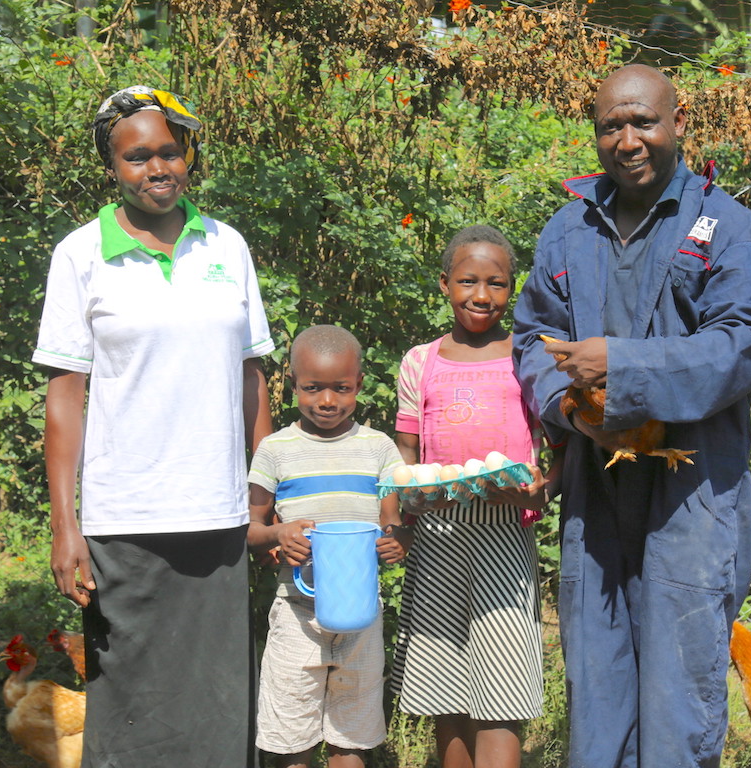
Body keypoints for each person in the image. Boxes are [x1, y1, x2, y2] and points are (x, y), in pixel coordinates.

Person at [511, 64, 751, 768]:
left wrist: (626, 371)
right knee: (597, 684)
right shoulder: (567, 230)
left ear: (680, 121)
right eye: (611, 126)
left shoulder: (725, 227)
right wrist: (573, 413)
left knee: (679, 697)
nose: (627, 139)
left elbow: (749, 339)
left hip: (691, 493)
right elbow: (531, 337)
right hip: (593, 489)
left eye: (643, 121)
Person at [35, 86, 274, 768]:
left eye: (171, 151)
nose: (158, 167)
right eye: (137, 156)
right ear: (112, 166)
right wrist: (65, 523)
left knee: (218, 707)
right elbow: (65, 396)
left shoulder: (226, 245)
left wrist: (265, 486)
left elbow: (250, 376)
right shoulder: (82, 256)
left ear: (189, 155)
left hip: (217, 516)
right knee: (130, 713)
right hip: (125, 520)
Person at [391, 225, 552, 768]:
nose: (481, 296)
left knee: (502, 682)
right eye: (467, 281)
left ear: (513, 288)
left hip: (505, 536)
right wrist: (408, 509)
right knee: (445, 683)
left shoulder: (528, 358)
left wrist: (542, 488)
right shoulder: (420, 361)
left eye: (496, 284)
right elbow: (406, 454)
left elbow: (557, 448)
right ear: (444, 284)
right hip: (438, 535)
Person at [247, 324, 409, 768]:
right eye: (312, 387)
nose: (327, 400)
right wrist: (279, 535)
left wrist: (397, 543)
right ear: (292, 385)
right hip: (297, 612)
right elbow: (251, 527)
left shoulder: (378, 449)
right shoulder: (276, 450)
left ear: (359, 384)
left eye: (341, 388)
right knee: (289, 735)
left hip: (362, 616)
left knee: (352, 736)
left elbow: (392, 525)